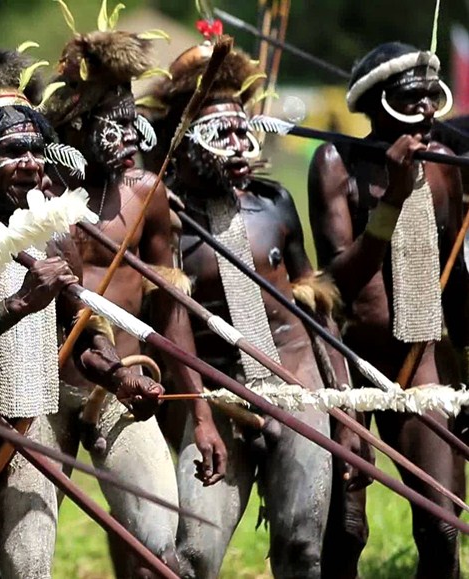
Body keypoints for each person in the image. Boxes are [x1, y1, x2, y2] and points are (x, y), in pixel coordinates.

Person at [0, 33, 163, 578]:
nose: (28, 163)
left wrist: (116, 377)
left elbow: (82, 333)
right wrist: (19, 304)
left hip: (27, 424)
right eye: (11, 151)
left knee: (30, 571)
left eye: (33, 149)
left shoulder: (56, 235)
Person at [145, 41, 347, 578]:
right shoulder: (164, 216)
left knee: (304, 548)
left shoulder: (274, 202)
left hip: (296, 383)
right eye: (219, 135)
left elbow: (315, 308)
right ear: (184, 146)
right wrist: (202, 417)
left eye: (243, 130)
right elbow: (173, 323)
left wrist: (342, 408)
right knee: (194, 558)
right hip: (217, 397)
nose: (238, 146)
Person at [40, 11, 224, 576]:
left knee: (155, 545)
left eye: (130, 122)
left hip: (125, 385)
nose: (124, 137)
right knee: (27, 554)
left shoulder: (149, 193)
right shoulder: (41, 197)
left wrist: (200, 414)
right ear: (74, 127)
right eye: (107, 124)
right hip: (46, 388)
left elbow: (171, 312)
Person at [308, 41, 468, 579]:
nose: (426, 111)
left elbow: (460, 280)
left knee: (442, 528)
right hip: (350, 356)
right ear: (377, 104)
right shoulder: (336, 163)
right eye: (411, 99)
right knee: (346, 527)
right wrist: (392, 200)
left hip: (422, 352)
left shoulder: (446, 167)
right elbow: (338, 282)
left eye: (432, 97)